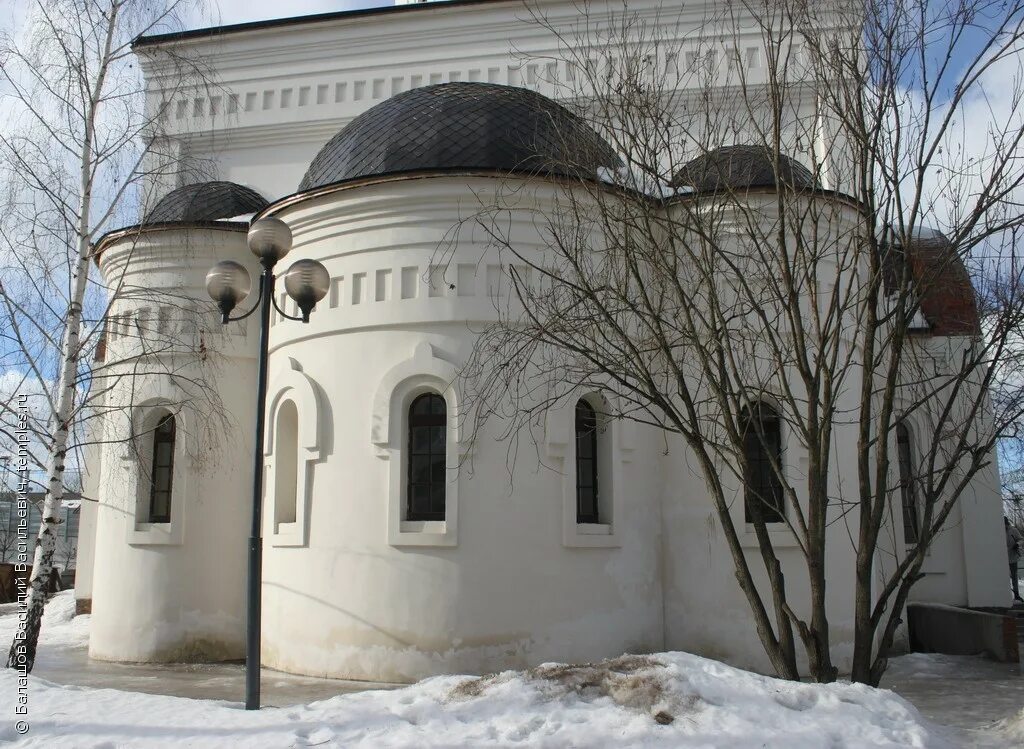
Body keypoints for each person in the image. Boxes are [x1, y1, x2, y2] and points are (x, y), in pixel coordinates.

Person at [1007, 517, 1023, 603]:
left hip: (1013, 557)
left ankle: (1016, 594)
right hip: (1003, 559)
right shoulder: (998, 530)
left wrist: (1017, 544)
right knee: (1005, 577)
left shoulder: (1013, 530)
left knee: (1014, 576)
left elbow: (1021, 539)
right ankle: (1007, 593)